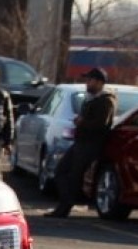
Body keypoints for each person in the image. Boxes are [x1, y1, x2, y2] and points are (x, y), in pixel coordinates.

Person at [44, 67, 118, 218]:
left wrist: (82, 122)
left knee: (74, 176)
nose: (87, 83)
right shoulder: (91, 98)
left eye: (90, 80)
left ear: (99, 82)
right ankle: (65, 203)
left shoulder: (106, 101)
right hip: (80, 142)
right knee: (61, 171)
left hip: (90, 145)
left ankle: (65, 207)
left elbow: (101, 125)